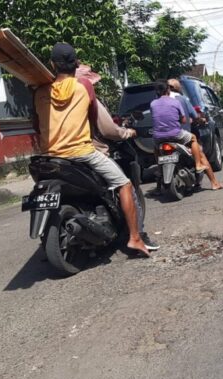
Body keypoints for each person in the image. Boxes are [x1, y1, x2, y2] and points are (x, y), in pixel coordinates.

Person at [33, 42, 150, 257]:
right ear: (75, 63)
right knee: (124, 184)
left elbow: (36, 126)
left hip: (47, 156)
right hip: (81, 153)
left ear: (52, 64)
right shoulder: (84, 86)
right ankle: (134, 238)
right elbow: (98, 121)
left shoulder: (39, 91)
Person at [75, 65, 159, 251]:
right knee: (125, 184)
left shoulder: (54, 99)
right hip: (89, 151)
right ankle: (137, 236)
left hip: (57, 154)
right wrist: (127, 132)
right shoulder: (89, 100)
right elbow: (108, 130)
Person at [167, 78, 223, 191]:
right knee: (201, 154)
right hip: (181, 136)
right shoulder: (182, 99)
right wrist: (201, 120)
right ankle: (214, 183)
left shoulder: (158, 101)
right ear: (177, 88)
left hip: (161, 136)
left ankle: (159, 188)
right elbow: (194, 116)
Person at [149, 81, 206, 173]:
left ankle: (160, 168)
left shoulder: (153, 104)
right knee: (193, 138)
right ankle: (198, 164)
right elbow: (184, 120)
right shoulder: (175, 102)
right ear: (168, 90)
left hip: (158, 136)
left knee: (156, 148)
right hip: (175, 134)